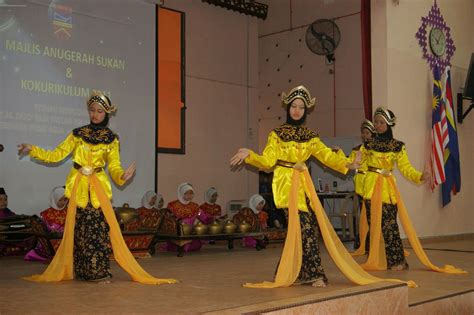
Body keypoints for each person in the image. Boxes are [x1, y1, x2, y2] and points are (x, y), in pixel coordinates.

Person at [231, 85, 395, 289]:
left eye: (301, 107)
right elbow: (267, 162)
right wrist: (251, 156)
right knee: (305, 228)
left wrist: (348, 164)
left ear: (306, 110)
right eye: (293, 106)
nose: (297, 110)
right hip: (285, 186)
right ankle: (312, 273)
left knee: (304, 229)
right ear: (287, 108)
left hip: (304, 186)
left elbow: (326, 155)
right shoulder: (277, 134)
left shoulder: (310, 135)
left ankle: (293, 271)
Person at [17, 92, 176, 285]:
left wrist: (122, 176)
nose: (95, 114)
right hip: (78, 187)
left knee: (97, 230)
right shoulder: (78, 134)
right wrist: (33, 149)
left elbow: (114, 166)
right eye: (92, 110)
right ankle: (83, 270)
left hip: (98, 189)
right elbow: (56, 155)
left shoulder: (111, 138)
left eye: (99, 111)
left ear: (106, 114)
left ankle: (98, 271)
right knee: (80, 230)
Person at [353, 107, 465, 275]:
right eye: (376, 122)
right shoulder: (367, 145)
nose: (378, 125)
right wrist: (351, 166)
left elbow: (406, 169)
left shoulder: (398, 146)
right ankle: (377, 258)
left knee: (390, 226)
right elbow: (358, 165)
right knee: (374, 225)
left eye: (382, 122)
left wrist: (421, 176)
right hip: (370, 189)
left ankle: (397, 261)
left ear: (389, 124)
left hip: (387, 190)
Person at [349, 120, 376, 249]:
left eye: (367, 133)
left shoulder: (376, 150)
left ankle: (373, 243)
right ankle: (362, 243)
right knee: (363, 215)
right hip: (360, 187)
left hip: (372, 186)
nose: (365, 136)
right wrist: (338, 154)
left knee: (372, 216)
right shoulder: (357, 149)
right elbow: (350, 162)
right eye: (363, 133)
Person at [24, 186, 68, 262]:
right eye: (60, 200)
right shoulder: (46, 214)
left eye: (65, 200)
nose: (63, 202)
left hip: (65, 239)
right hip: (51, 240)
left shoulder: (69, 211)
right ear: (54, 199)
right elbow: (45, 229)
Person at [166, 183, 202, 252]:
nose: (189, 196)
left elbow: (201, 215)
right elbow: (169, 220)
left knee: (196, 245)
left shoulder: (195, 206)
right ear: (182, 193)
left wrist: (212, 220)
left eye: (191, 193)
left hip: (189, 233)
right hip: (176, 234)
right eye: (187, 193)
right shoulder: (172, 205)